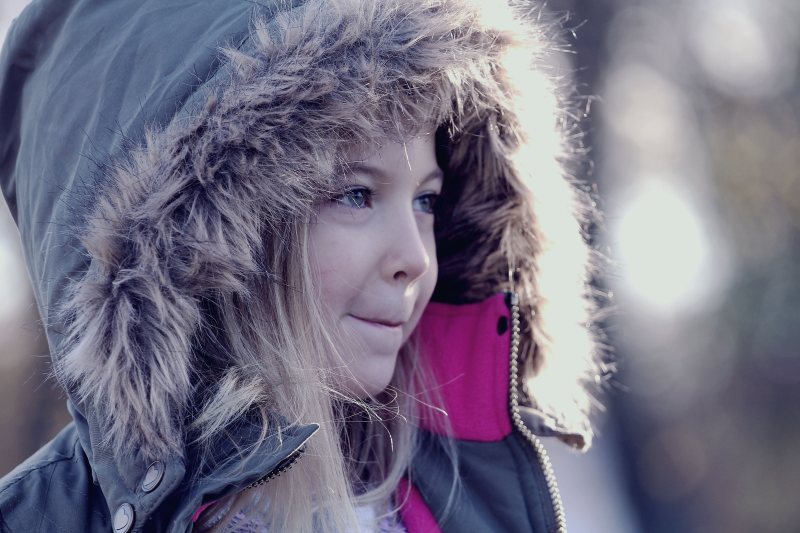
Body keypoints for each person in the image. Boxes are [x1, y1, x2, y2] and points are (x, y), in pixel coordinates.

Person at [0, 0, 606, 531]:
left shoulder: (459, 498)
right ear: (208, 245)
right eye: (356, 195)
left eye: (426, 200)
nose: (417, 259)